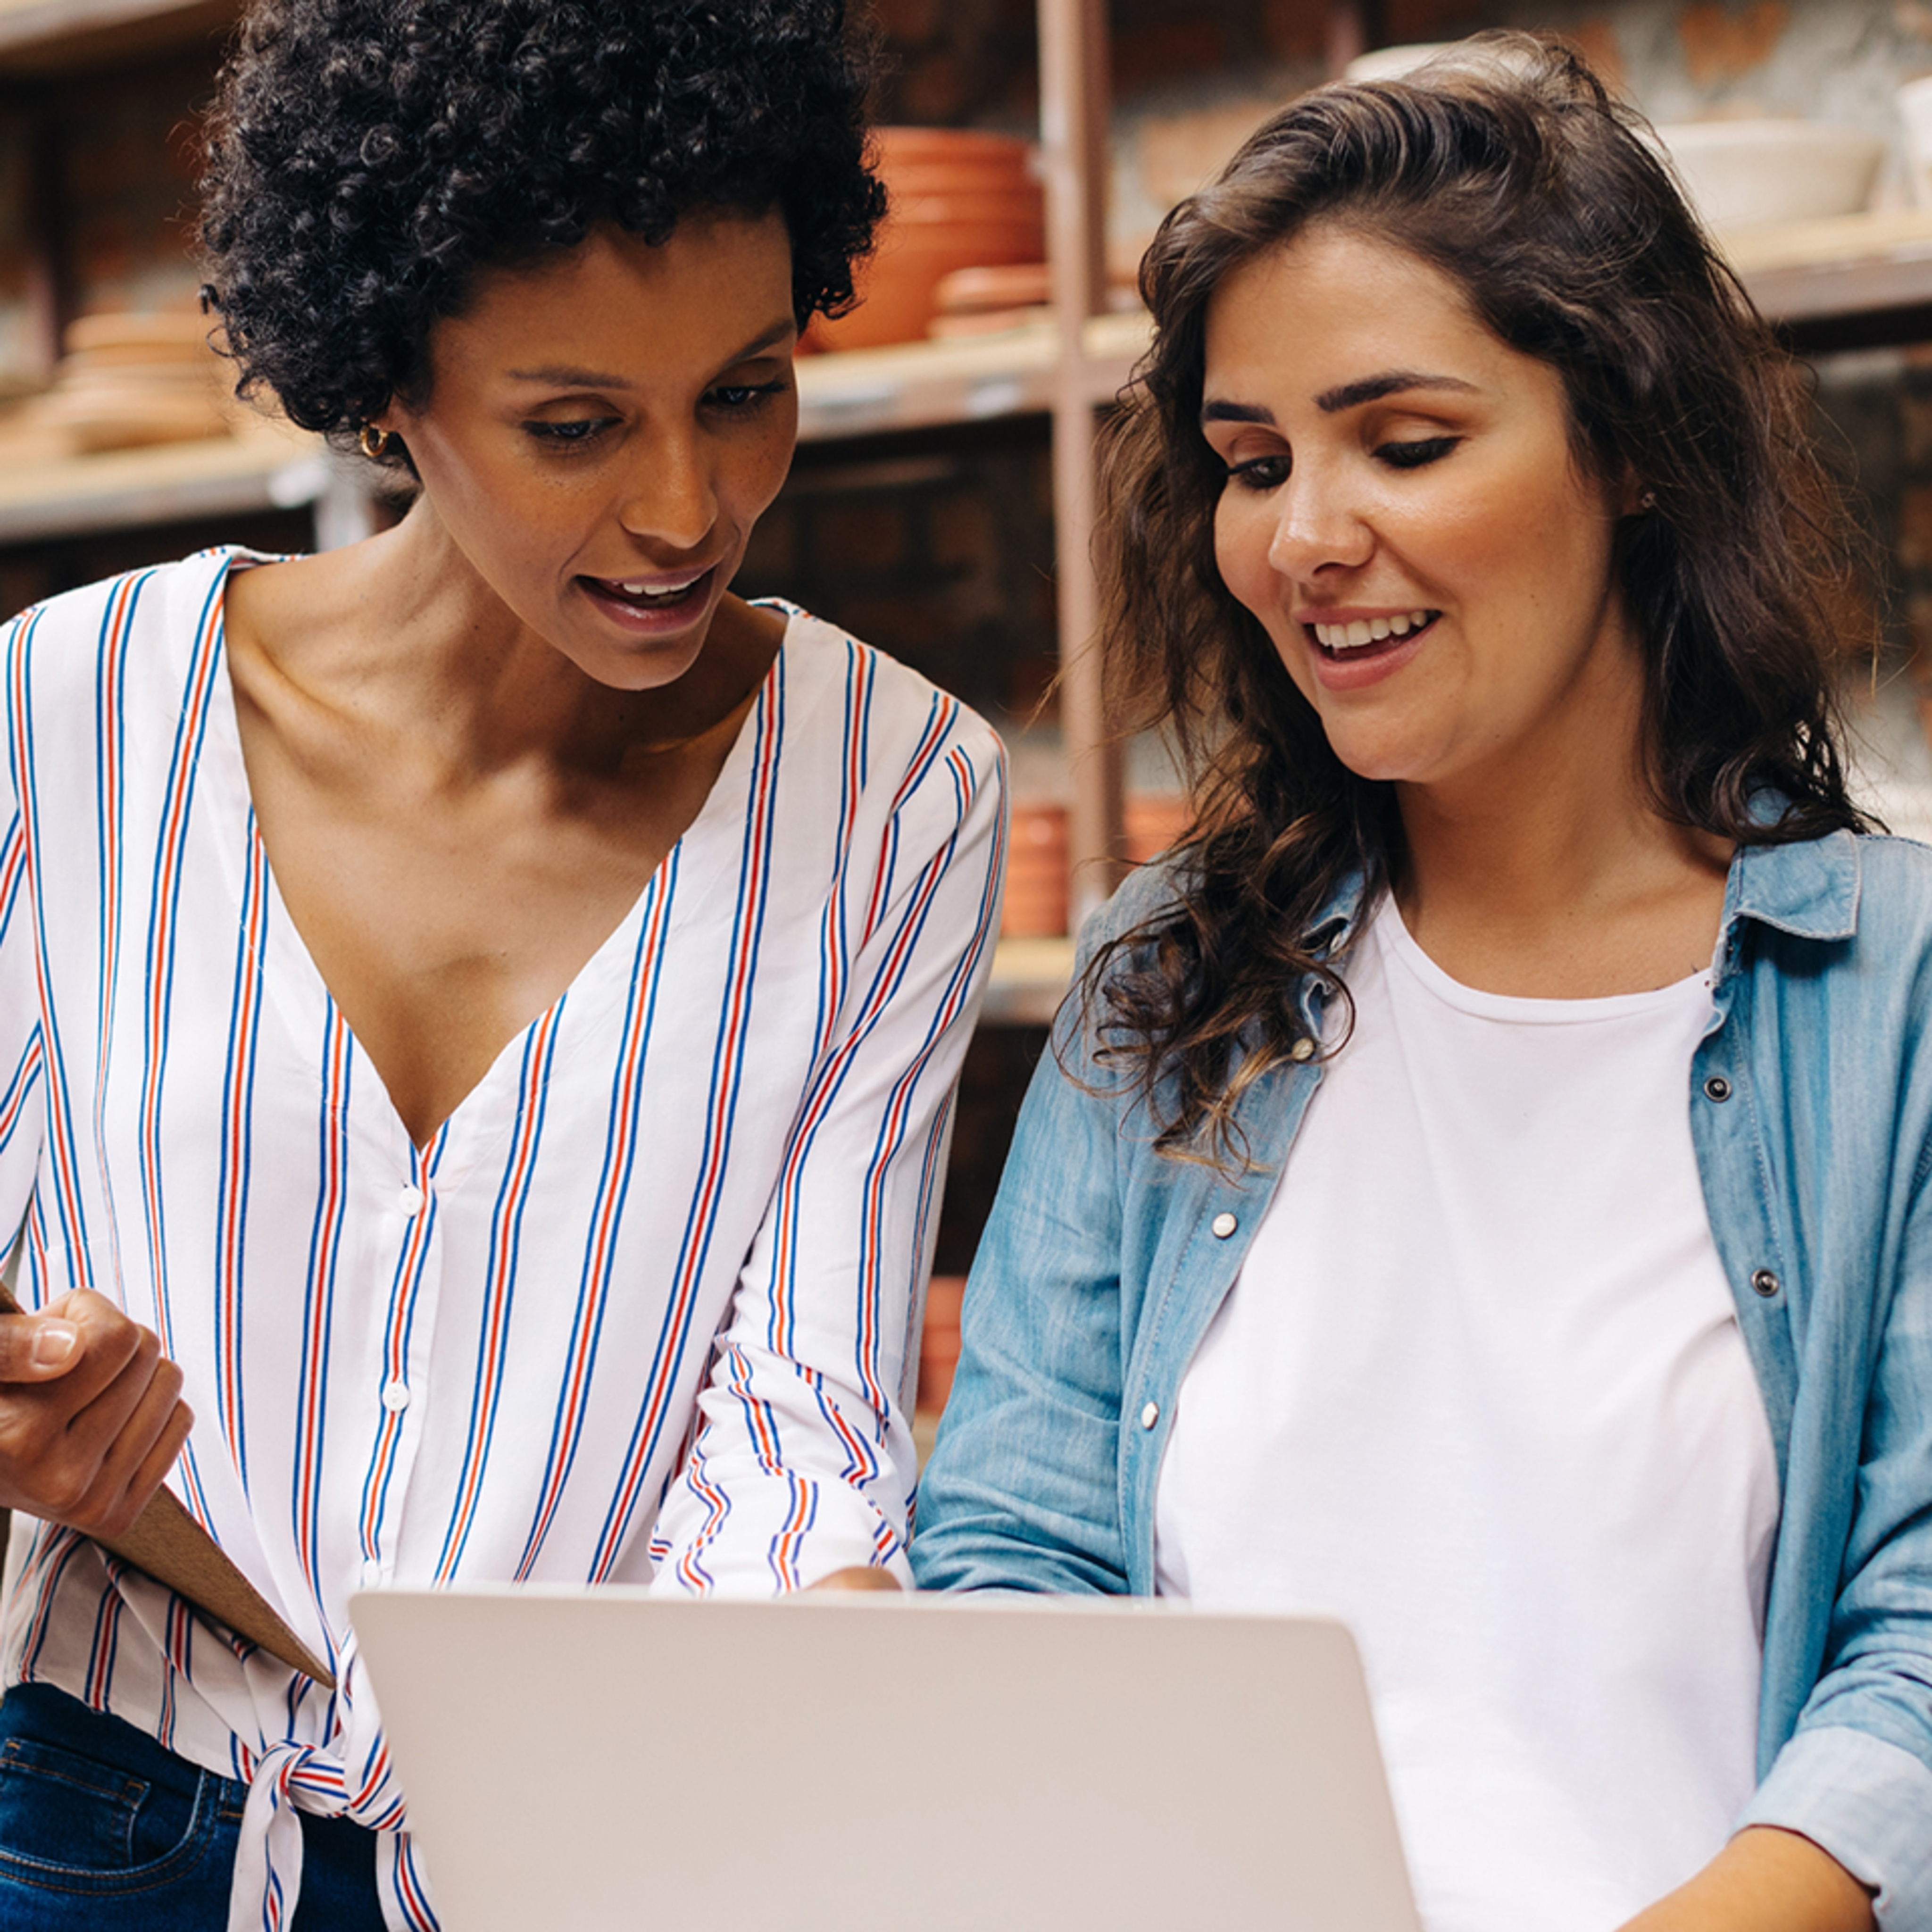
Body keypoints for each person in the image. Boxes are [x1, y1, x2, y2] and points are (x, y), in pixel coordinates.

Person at [910, 33, 1932, 1932]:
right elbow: (1012, 1547)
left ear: (1625, 446)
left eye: (1405, 442)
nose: (1302, 539)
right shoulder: (1173, 976)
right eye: (1251, 462)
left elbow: (1921, 1641)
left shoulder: (1896, 998)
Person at [0, 0, 1004, 1925]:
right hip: (93, 1813)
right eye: (573, 425)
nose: (683, 509)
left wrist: (845, 1678)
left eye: (742, 390)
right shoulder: (71, 712)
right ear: (390, 380)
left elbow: (799, 1420)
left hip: (586, 1851)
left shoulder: (895, 794)